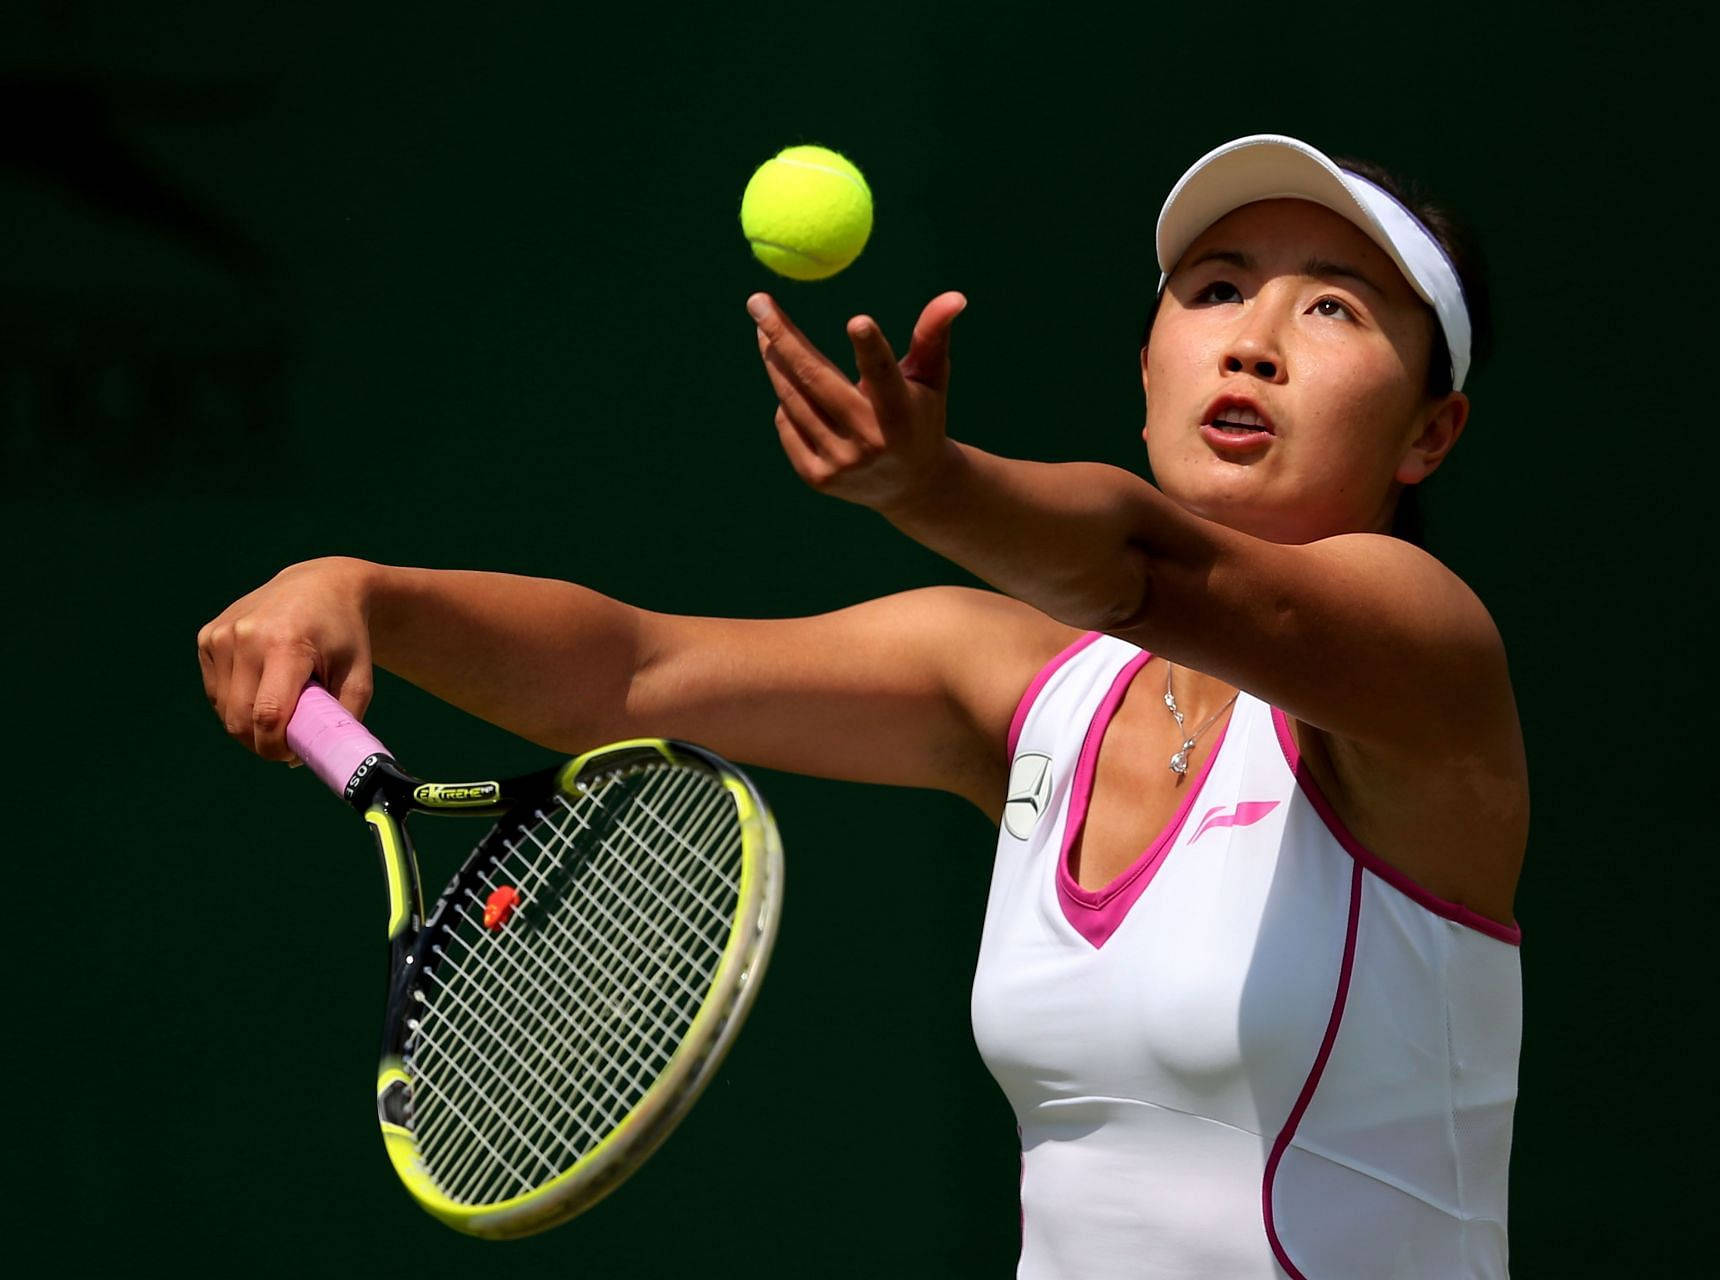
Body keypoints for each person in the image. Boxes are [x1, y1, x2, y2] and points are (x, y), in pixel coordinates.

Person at [199, 133, 1527, 1278]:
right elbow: (632, 674)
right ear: (1145, 366)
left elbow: (1142, 565)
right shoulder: (1023, 693)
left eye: (1336, 311)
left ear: (1432, 434)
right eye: (1218, 289)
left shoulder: (1427, 656)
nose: (1253, 341)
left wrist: (932, 489)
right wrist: (365, 591)